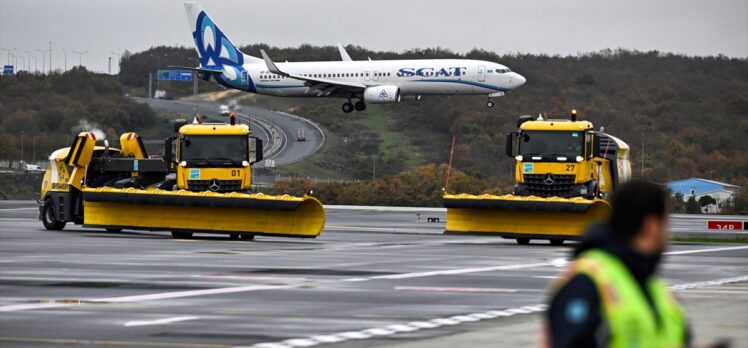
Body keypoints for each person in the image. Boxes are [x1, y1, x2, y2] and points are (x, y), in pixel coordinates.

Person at [545, 180, 689, 348]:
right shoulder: (587, 283)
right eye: (665, 224)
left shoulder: (657, 291)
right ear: (651, 226)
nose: (667, 235)